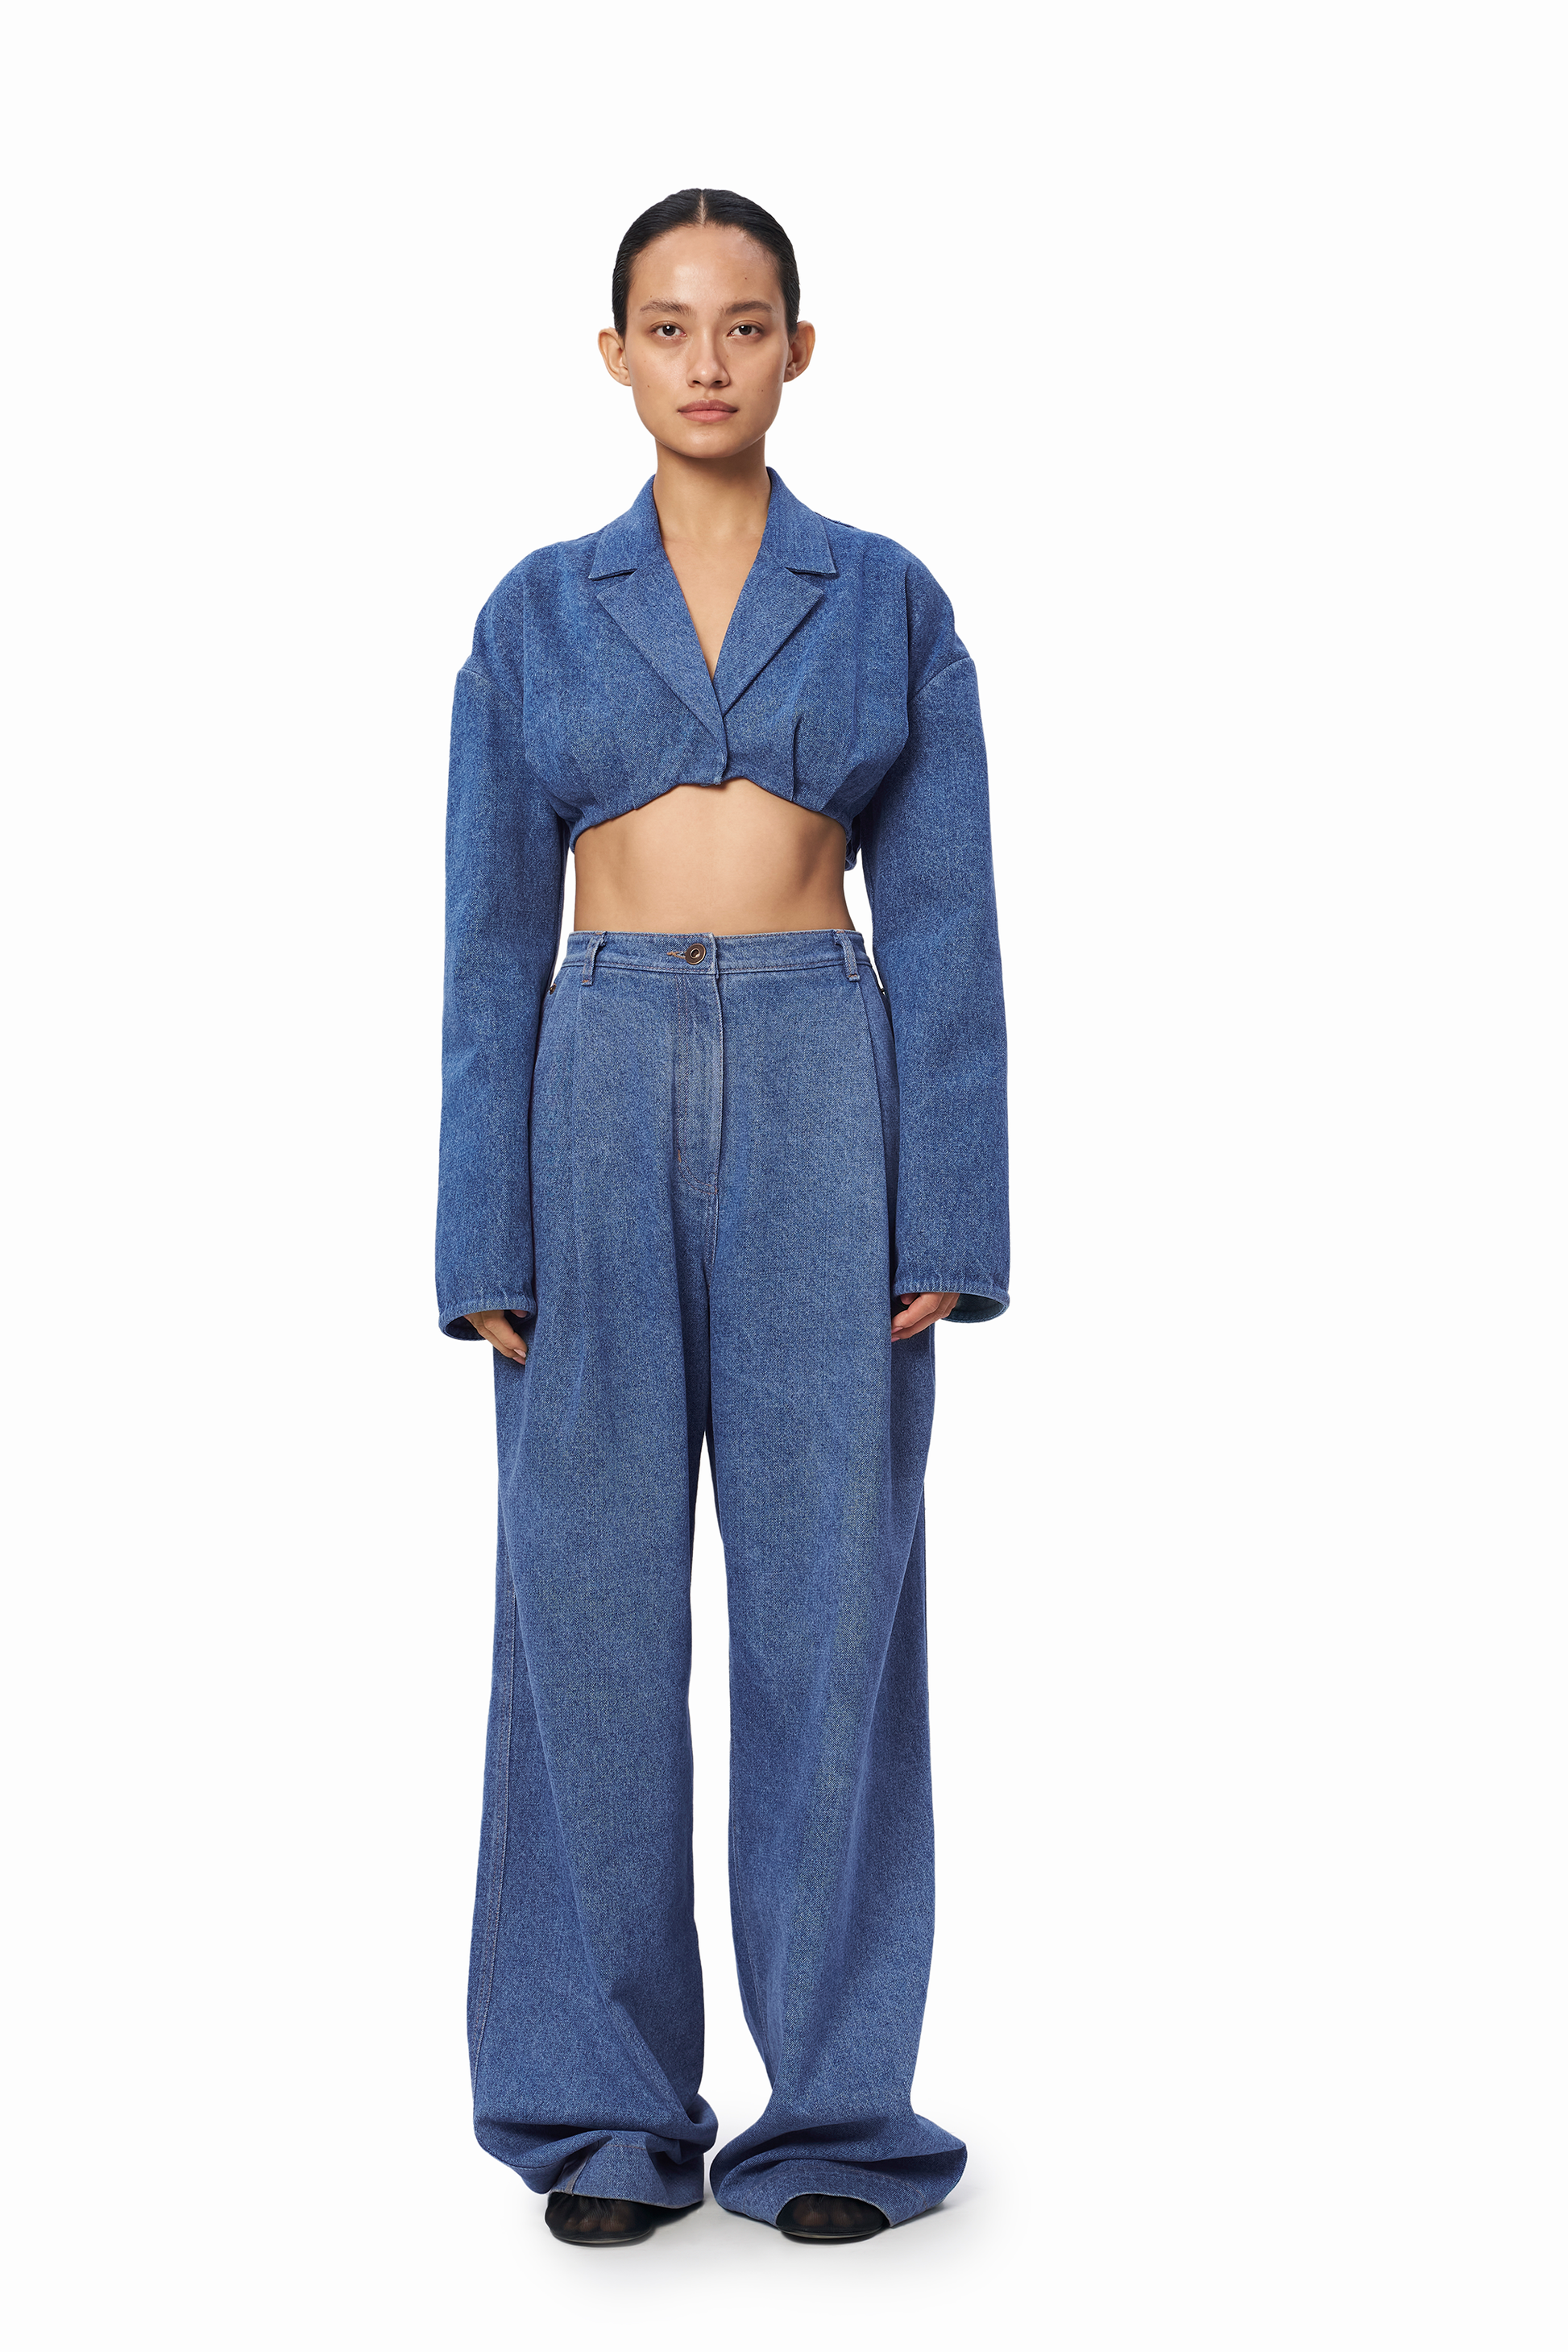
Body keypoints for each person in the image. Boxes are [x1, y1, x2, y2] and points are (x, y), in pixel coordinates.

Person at [437, 188, 1009, 2249]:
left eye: (742, 323)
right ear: (613, 354)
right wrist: (478, 1237)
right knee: (581, 1618)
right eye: (667, 325)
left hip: (821, 1081)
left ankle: (836, 2114)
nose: (705, 359)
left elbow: (942, 924)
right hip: (588, 1085)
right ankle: (599, 2107)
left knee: (832, 1612)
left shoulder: (886, 599)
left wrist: (950, 1214)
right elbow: (482, 940)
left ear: (796, 349)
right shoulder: (534, 613)